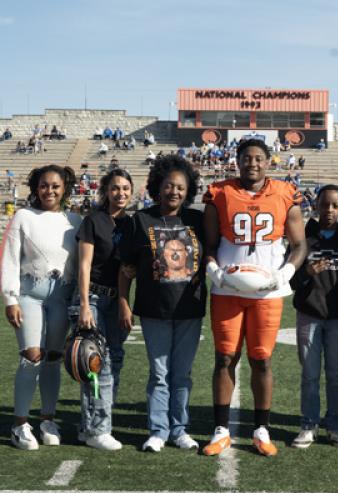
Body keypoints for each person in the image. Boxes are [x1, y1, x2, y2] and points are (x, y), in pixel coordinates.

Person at [202, 138, 307, 457]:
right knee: (224, 358)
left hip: (268, 291)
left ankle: (262, 429)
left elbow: (300, 244)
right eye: (246, 158)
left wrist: (285, 273)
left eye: (259, 158)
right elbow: (208, 242)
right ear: (236, 160)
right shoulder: (218, 193)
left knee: (261, 358)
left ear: (268, 161)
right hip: (227, 289)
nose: (253, 163)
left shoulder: (286, 193)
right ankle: (221, 429)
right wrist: (213, 269)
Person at [118, 155, 206, 452]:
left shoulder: (197, 220)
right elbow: (126, 268)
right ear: (158, 186)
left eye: (181, 188)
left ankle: (179, 429)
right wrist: (123, 302)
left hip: (189, 310)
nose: (175, 192)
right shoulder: (140, 220)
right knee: (159, 373)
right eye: (169, 186)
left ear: (188, 190)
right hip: (154, 310)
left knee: (182, 374)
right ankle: (158, 430)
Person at [1, 165, 80, 450]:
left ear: (64, 188)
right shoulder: (23, 216)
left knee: (53, 358)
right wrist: (10, 299)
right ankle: (20, 424)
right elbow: (9, 258)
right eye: (44, 185)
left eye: (55, 186)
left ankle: (47, 419)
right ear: (36, 188)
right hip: (30, 295)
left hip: (61, 297)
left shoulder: (74, 220)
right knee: (31, 355)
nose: (50, 191)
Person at [69, 169, 133, 450]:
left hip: (115, 299)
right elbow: (83, 266)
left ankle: (89, 425)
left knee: (114, 360)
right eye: (115, 188)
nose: (121, 193)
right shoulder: (94, 220)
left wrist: (123, 303)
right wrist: (84, 305)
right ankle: (99, 429)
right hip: (91, 297)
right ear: (106, 191)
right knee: (98, 365)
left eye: (126, 189)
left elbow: (127, 270)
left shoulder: (131, 224)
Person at [291, 185, 338, 449]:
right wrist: (307, 271)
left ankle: (335, 425)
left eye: (335, 205)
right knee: (309, 374)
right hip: (309, 315)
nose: (329, 210)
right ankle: (308, 424)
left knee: (335, 375)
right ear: (316, 206)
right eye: (325, 204)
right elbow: (291, 281)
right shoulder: (303, 242)